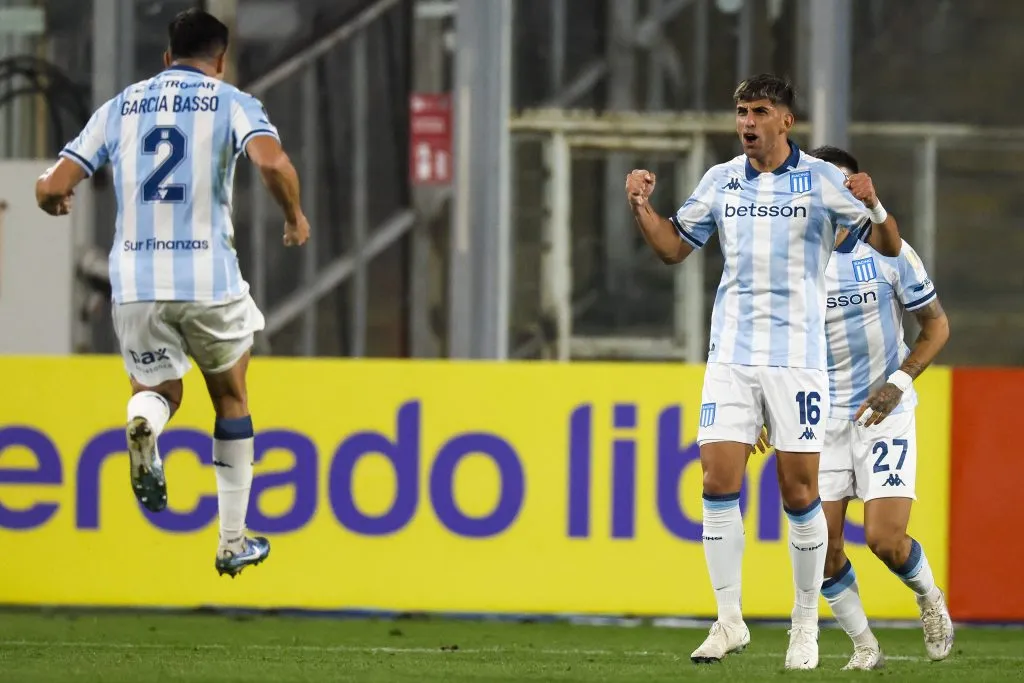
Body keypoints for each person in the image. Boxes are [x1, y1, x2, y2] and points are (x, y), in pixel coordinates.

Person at [625, 73, 903, 670]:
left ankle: (804, 626)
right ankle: (729, 622)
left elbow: (886, 246)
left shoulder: (824, 182)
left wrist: (874, 202)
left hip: (797, 362)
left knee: (799, 493)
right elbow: (675, 248)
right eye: (741, 113)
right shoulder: (721, 181)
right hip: (730, 355)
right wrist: (642, 206)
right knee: (715, 481)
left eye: (759, 111)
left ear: (786, 121)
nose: (747, 122)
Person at [34, 8, 309, 578]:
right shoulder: (233, 101)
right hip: (209, 279)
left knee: (159, 389)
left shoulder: (121, 106)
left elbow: (55, 183)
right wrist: (294, 216)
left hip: (135, 283)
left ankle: (147, 427)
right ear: (221, 60)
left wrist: (49, 198)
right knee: (230, 397)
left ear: (166, 58)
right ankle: (231, 541)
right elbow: (271, 161)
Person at [807, 145, 954, 669]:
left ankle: (929, 597)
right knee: (817, 551)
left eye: (849, 189)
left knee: (885, 541)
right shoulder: (797, 262)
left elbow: (936, 326)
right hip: (819, 420)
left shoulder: (889, 252)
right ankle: (865, 647)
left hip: (882, 414)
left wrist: (897, 382)